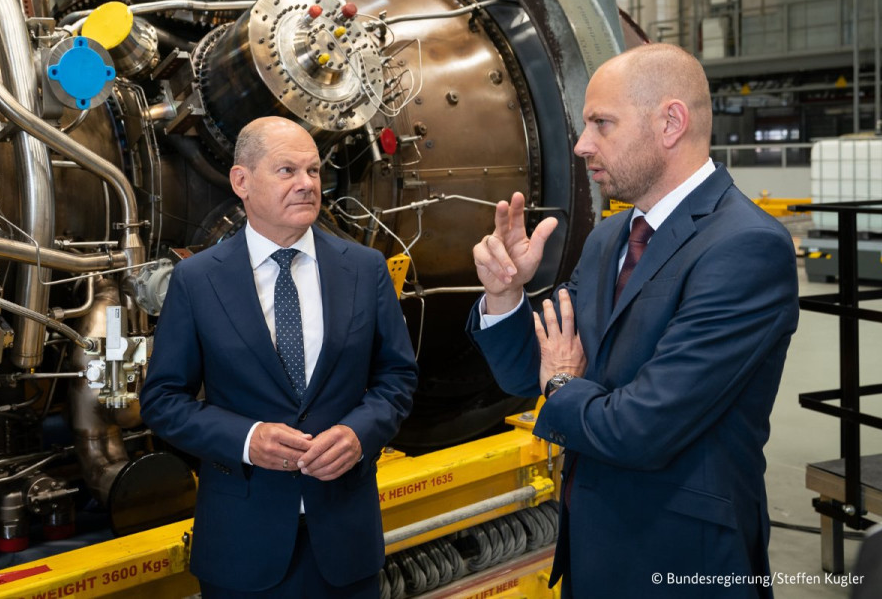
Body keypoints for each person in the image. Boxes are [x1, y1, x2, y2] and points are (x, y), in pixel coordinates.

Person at [468, 43, 799, 598]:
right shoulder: (609, 240)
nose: (581, 145)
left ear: (671, 122)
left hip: (678, 560)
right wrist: (506, 296)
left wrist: (561, 384)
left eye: (601, 124)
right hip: (592, 551)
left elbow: (641, 428)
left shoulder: (746, 248)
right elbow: (529, 372)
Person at [141, 116, 419, 597]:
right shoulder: (197, 280)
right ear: (241, 181)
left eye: (313, 171)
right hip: (242, 544)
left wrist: (359, 433)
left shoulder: (364, 268)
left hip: (345, 542)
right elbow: (163, 400)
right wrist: (247, 439)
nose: (307, 184)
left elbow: (396, 377)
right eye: (287, 170)